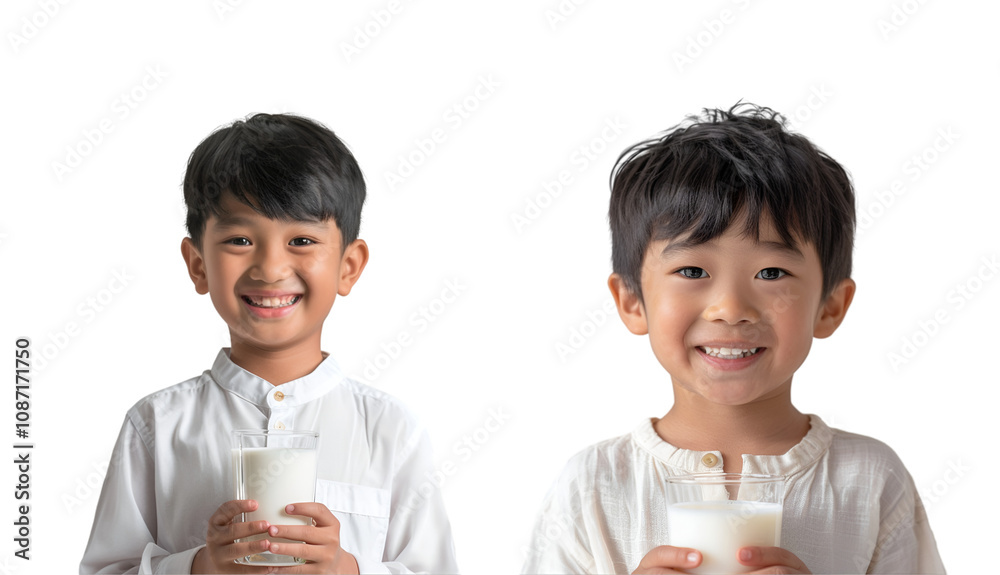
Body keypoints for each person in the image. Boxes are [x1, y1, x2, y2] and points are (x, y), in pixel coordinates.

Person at [522, 103, 945, 574]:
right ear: (632, 301)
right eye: (691, 270)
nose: (730, 308)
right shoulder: (593, 487)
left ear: (829, 306)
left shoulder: (870, 481)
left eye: (771, 271)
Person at [80, 113, 458, 574]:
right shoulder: (157, 426)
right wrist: (199, 567)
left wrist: (348, 570)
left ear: (348, 266)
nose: (271, 267)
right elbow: (103, 569)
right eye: (240, 239)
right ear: (198, 264)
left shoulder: (391, 431)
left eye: (301, 239)